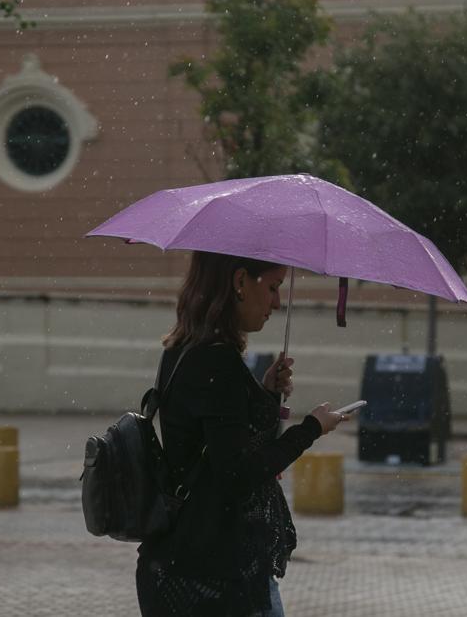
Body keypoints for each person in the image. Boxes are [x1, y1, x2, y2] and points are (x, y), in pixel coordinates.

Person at [136, 251, 350, 617]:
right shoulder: (216, 361)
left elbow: (221, 441)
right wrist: (311, 429)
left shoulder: (184, 350)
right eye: (272, 287)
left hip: (180, 563)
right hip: (215, 576)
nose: (277, 302)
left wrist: (265, 393)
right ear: (239, 282)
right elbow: (238, 473)